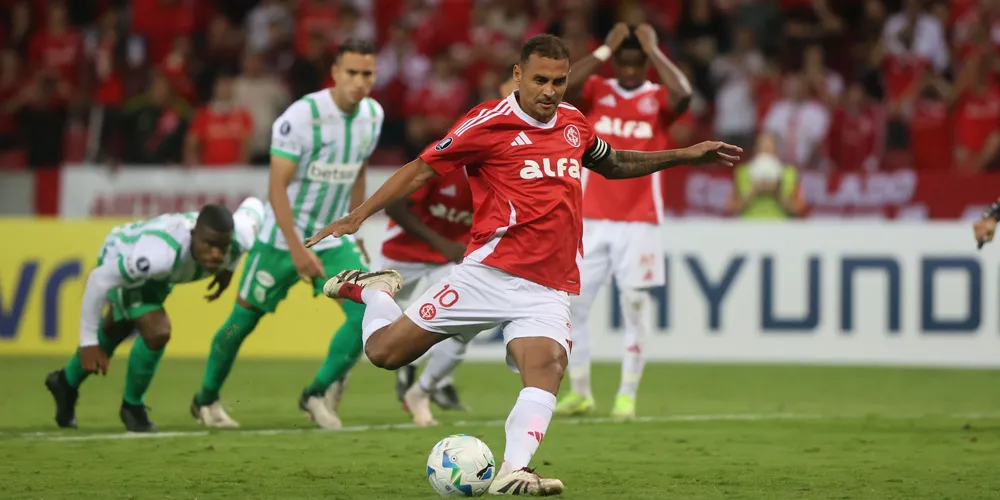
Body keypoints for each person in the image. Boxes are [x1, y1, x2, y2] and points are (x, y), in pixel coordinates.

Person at [306, 34, 739, 495]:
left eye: (559, 81)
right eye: (540, 80)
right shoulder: (486, 123)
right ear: (518, 76)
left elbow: (614, 163)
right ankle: (375, 290)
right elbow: (420, 168)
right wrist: (358, 215)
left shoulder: (573, 123)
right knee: (385, 354)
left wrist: (684, 155)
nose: (550, 91)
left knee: (548, 364)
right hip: (488, 275)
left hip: (548, 288)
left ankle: (514, 469)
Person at [190, 38, 384, 430]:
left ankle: (315, 393)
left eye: (367, 74)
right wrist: (296, 248)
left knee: (370, 313)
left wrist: (355, 224)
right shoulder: (302, 116)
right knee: (239, 325)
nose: (359, 82)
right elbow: (276, 188)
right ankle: (206, 399)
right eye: (352, 73)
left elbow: (359, 171)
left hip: (333, 240)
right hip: (281, 240)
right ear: (335, 73)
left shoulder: (373, 115)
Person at [555, 22, 693, 420]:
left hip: (640, 220)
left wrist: (654, 48)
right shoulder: (598, 90)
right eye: (624, 62)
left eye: (638, 64)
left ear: (645, 65)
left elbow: (684, 94)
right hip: (591, 218)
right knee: (575, 306)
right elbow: (561, 87)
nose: (630, 71)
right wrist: (602, 51)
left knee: (634, 305)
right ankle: (581, 392)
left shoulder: (657, 98)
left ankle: (627, 394)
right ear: (615, 62)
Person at [45, 199, 264, 432]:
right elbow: (99, 279)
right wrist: (88, 342)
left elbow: (255, 205)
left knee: (116, 329)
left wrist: (228, 270)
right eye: (208, 245)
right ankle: (132, 407)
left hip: (159, 278)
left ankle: (65, 383)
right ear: (193, 235)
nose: (216, 254)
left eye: (223, 247)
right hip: (121, 252)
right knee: (157, 331)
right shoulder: (159, 256)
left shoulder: (241, 237)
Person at [387, 69, 520, 424]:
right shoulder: (445, 164)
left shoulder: (504, 172)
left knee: (464, 330)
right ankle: (334, 386)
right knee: (377, 330)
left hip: (457, 259)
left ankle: (423, 388)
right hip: (405, 254)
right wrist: (442, 242)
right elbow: (396, 204)